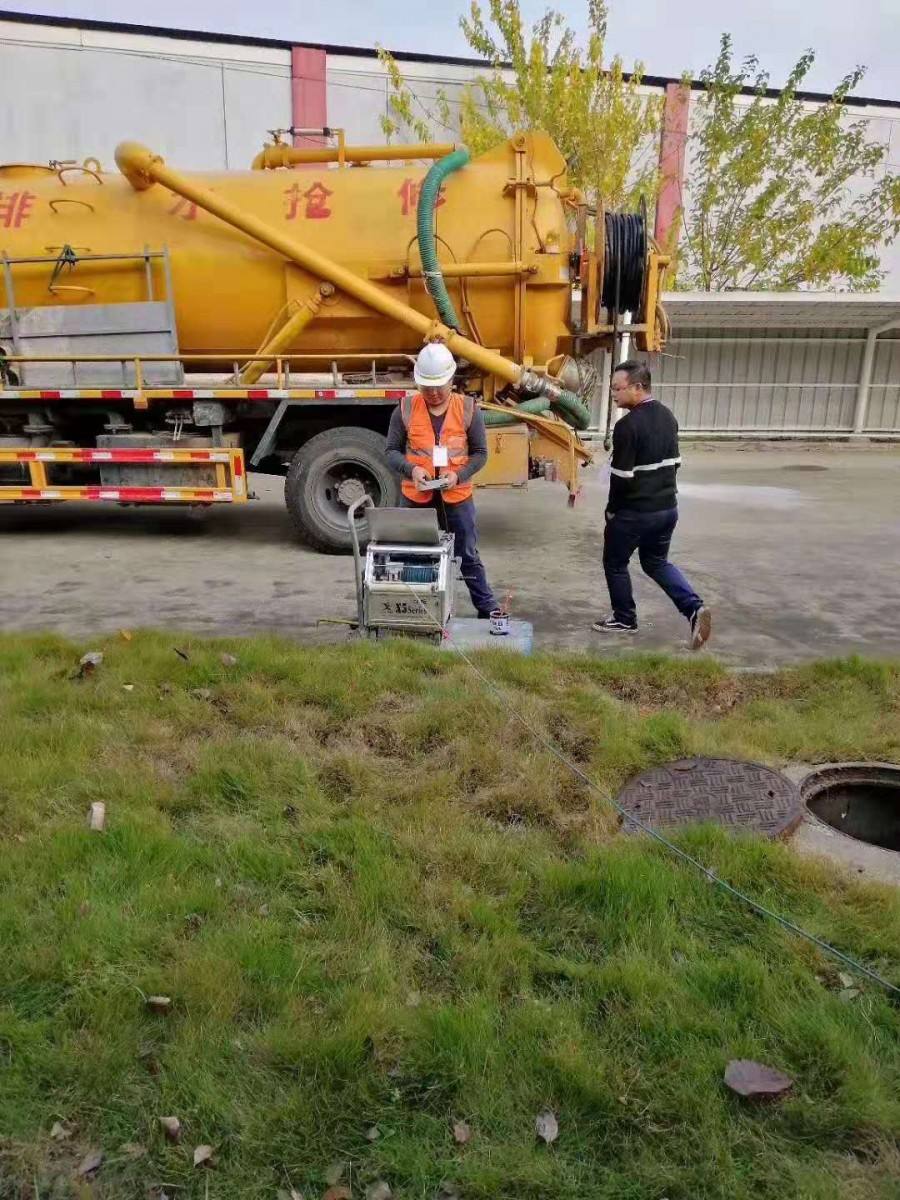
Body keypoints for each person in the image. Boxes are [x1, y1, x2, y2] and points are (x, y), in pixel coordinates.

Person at [594, 359, 711, 650]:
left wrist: (611, 511)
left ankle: (624, 618)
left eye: (617, 389)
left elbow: (621, 479)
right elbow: (675, 464)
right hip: (667, 509)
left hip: (635, 513)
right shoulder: (668, 417)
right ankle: (694, 608)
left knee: (615, 563)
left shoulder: (627, 425)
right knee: (656, 562)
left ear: (637, 386)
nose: (614, 394)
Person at [384, 342, 498, 618]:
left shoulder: (469, 409)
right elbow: (391, 452)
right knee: (412, 555)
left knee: (467, 554)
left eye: (439, 387)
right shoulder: (405, 409)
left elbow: (481, 454)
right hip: (417, 496)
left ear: (451, 381)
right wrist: (412, 470)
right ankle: (410, 609)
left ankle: (487, 607)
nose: (433, 394)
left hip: (457, 497)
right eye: (427, 387)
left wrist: (458, 475)